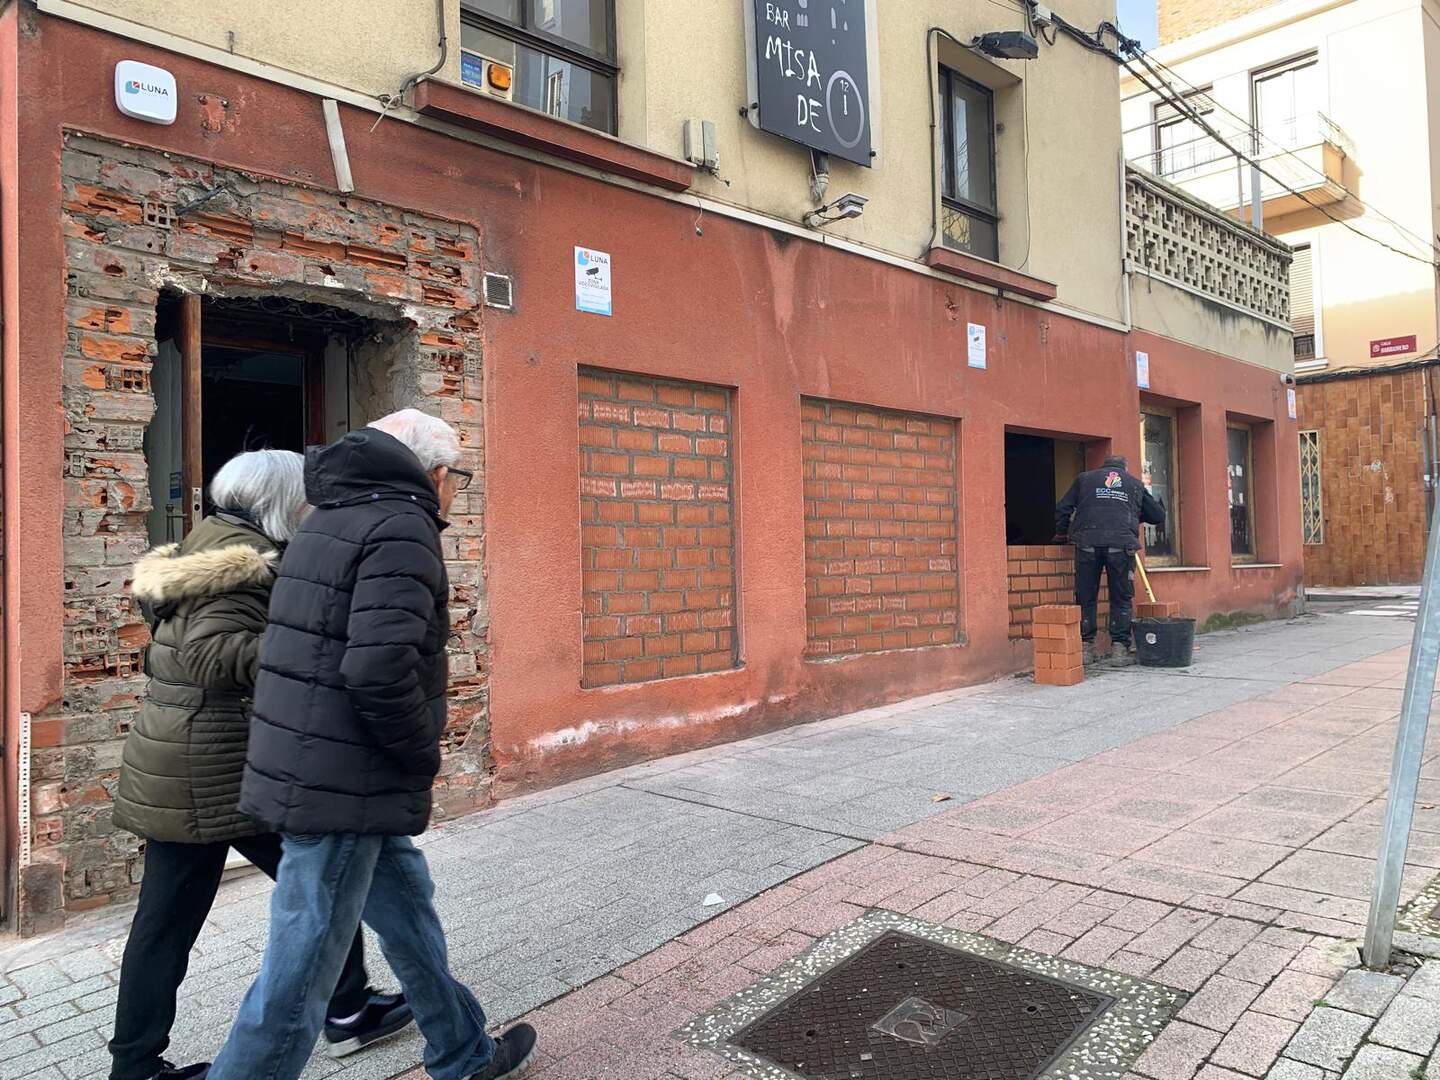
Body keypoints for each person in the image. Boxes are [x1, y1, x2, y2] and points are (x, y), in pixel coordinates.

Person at [204, 410, 536, 1080]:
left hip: (320, 765)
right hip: (346, 779)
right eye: (458, 476)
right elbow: (377, 668)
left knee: (406, 908)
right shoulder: (402, 526)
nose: (456, 489)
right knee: (303, 962)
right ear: (435, 472)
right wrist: (418, 753)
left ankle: (462, 1052)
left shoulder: (328, 516)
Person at [109, 450, 413, 1080]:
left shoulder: (211, 542)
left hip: (201, 759)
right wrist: (311, 639)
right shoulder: (243, 565)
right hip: (214, 770)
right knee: (316, 884)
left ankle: (139, 1064)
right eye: (305, 496)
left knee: (192, 916)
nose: (312, 508)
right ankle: (345, 1009)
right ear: (278, 501)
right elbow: (209, 654)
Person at [1054, 454, 1165, 666]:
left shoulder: (1085, 479)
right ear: (1125, 468)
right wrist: (1132, 514)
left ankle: (1085, 650)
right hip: (1120, 546)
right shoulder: (1134, 484)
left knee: (1086, 596)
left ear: (1103, 466)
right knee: (1121, 597)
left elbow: (1063, 508)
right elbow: (1158, 516)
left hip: (1087, 543)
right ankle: (1119, 651)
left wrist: (1061, 534)